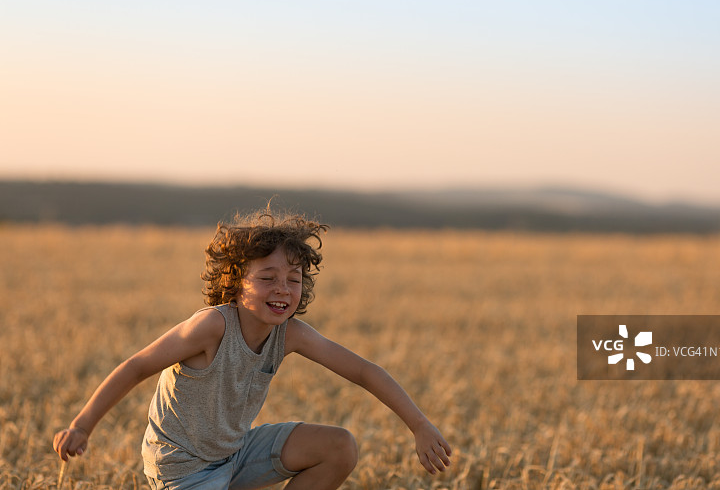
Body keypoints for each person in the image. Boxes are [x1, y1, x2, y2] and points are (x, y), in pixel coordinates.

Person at [53, 208, 451, 490]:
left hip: (235, 454)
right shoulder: (211, 327)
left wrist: (419, 425)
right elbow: (137, 366)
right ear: (236, 282)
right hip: (181, 470)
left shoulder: (290, 334)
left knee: (339, 447)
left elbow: (364, 371)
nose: (282, 288)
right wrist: (82, 426)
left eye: (293, 279)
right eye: (267, 277)